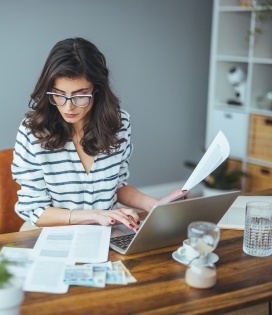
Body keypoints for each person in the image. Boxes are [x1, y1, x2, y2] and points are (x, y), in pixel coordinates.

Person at [12, 37, 188, 232]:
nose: (68, 106)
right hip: (50, 232)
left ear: (97, 88)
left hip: (103, 231)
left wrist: (154, 205)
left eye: (80, 95)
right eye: (59, 94)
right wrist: (95, 215)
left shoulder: (119, 124)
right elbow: (35, 210)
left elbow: (118, 186)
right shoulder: (32, 131)